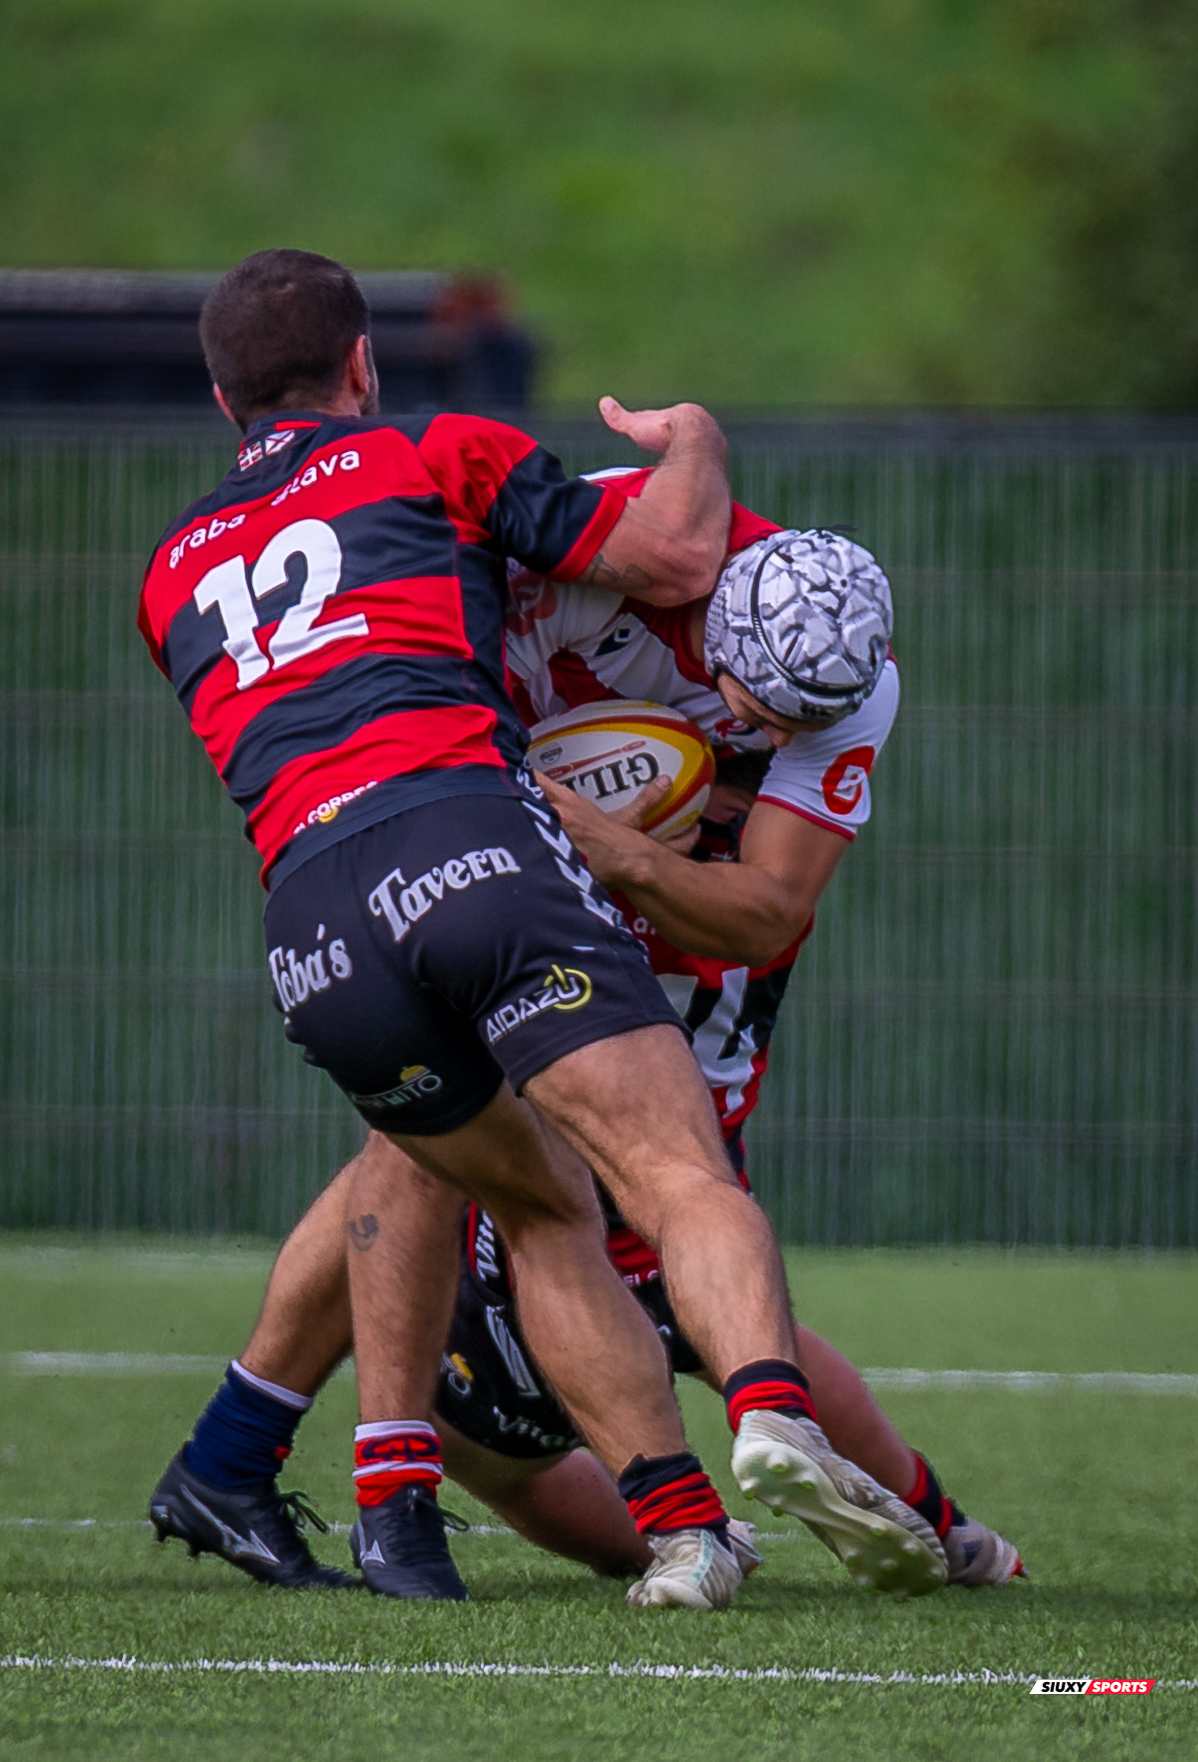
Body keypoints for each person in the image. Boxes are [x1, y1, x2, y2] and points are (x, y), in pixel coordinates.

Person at [141, 248, 945, 1611]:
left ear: (222, 403)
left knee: (503, 1181)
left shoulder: (167, 570)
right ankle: (761, 1415)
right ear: (362, 366)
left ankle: (361, 1498)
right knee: (665, 1175)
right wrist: (692, 434)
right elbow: (676, 545)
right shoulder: (431, 454)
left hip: (308, 910)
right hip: (465, 832)